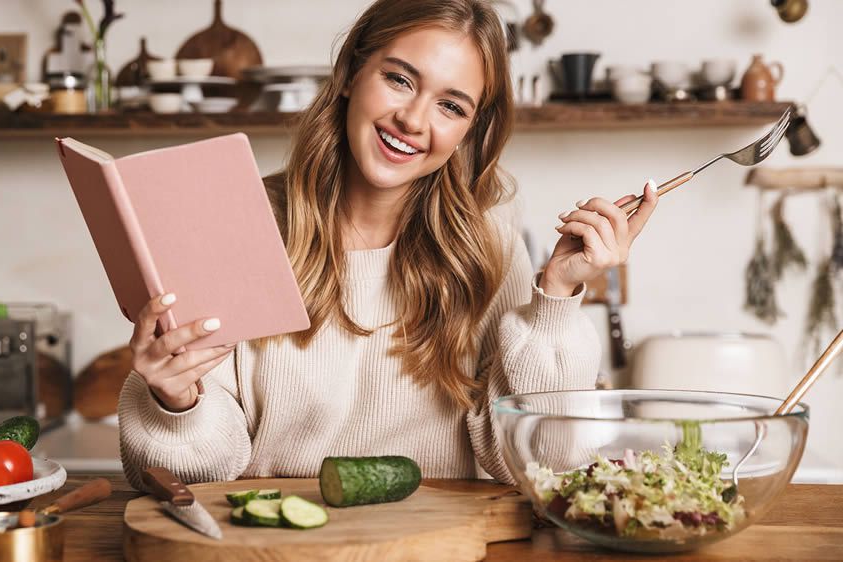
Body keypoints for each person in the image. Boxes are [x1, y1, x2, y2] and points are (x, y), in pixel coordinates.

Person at [118, 0, 658, 488]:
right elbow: (192, 475)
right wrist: (175, 401)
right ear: (351, 71)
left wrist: (557, 299)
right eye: (400, 79)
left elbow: (544, 462)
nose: (413, 120)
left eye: (452, 106)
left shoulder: (489, 247)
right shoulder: (238, 226)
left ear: (471, 130)